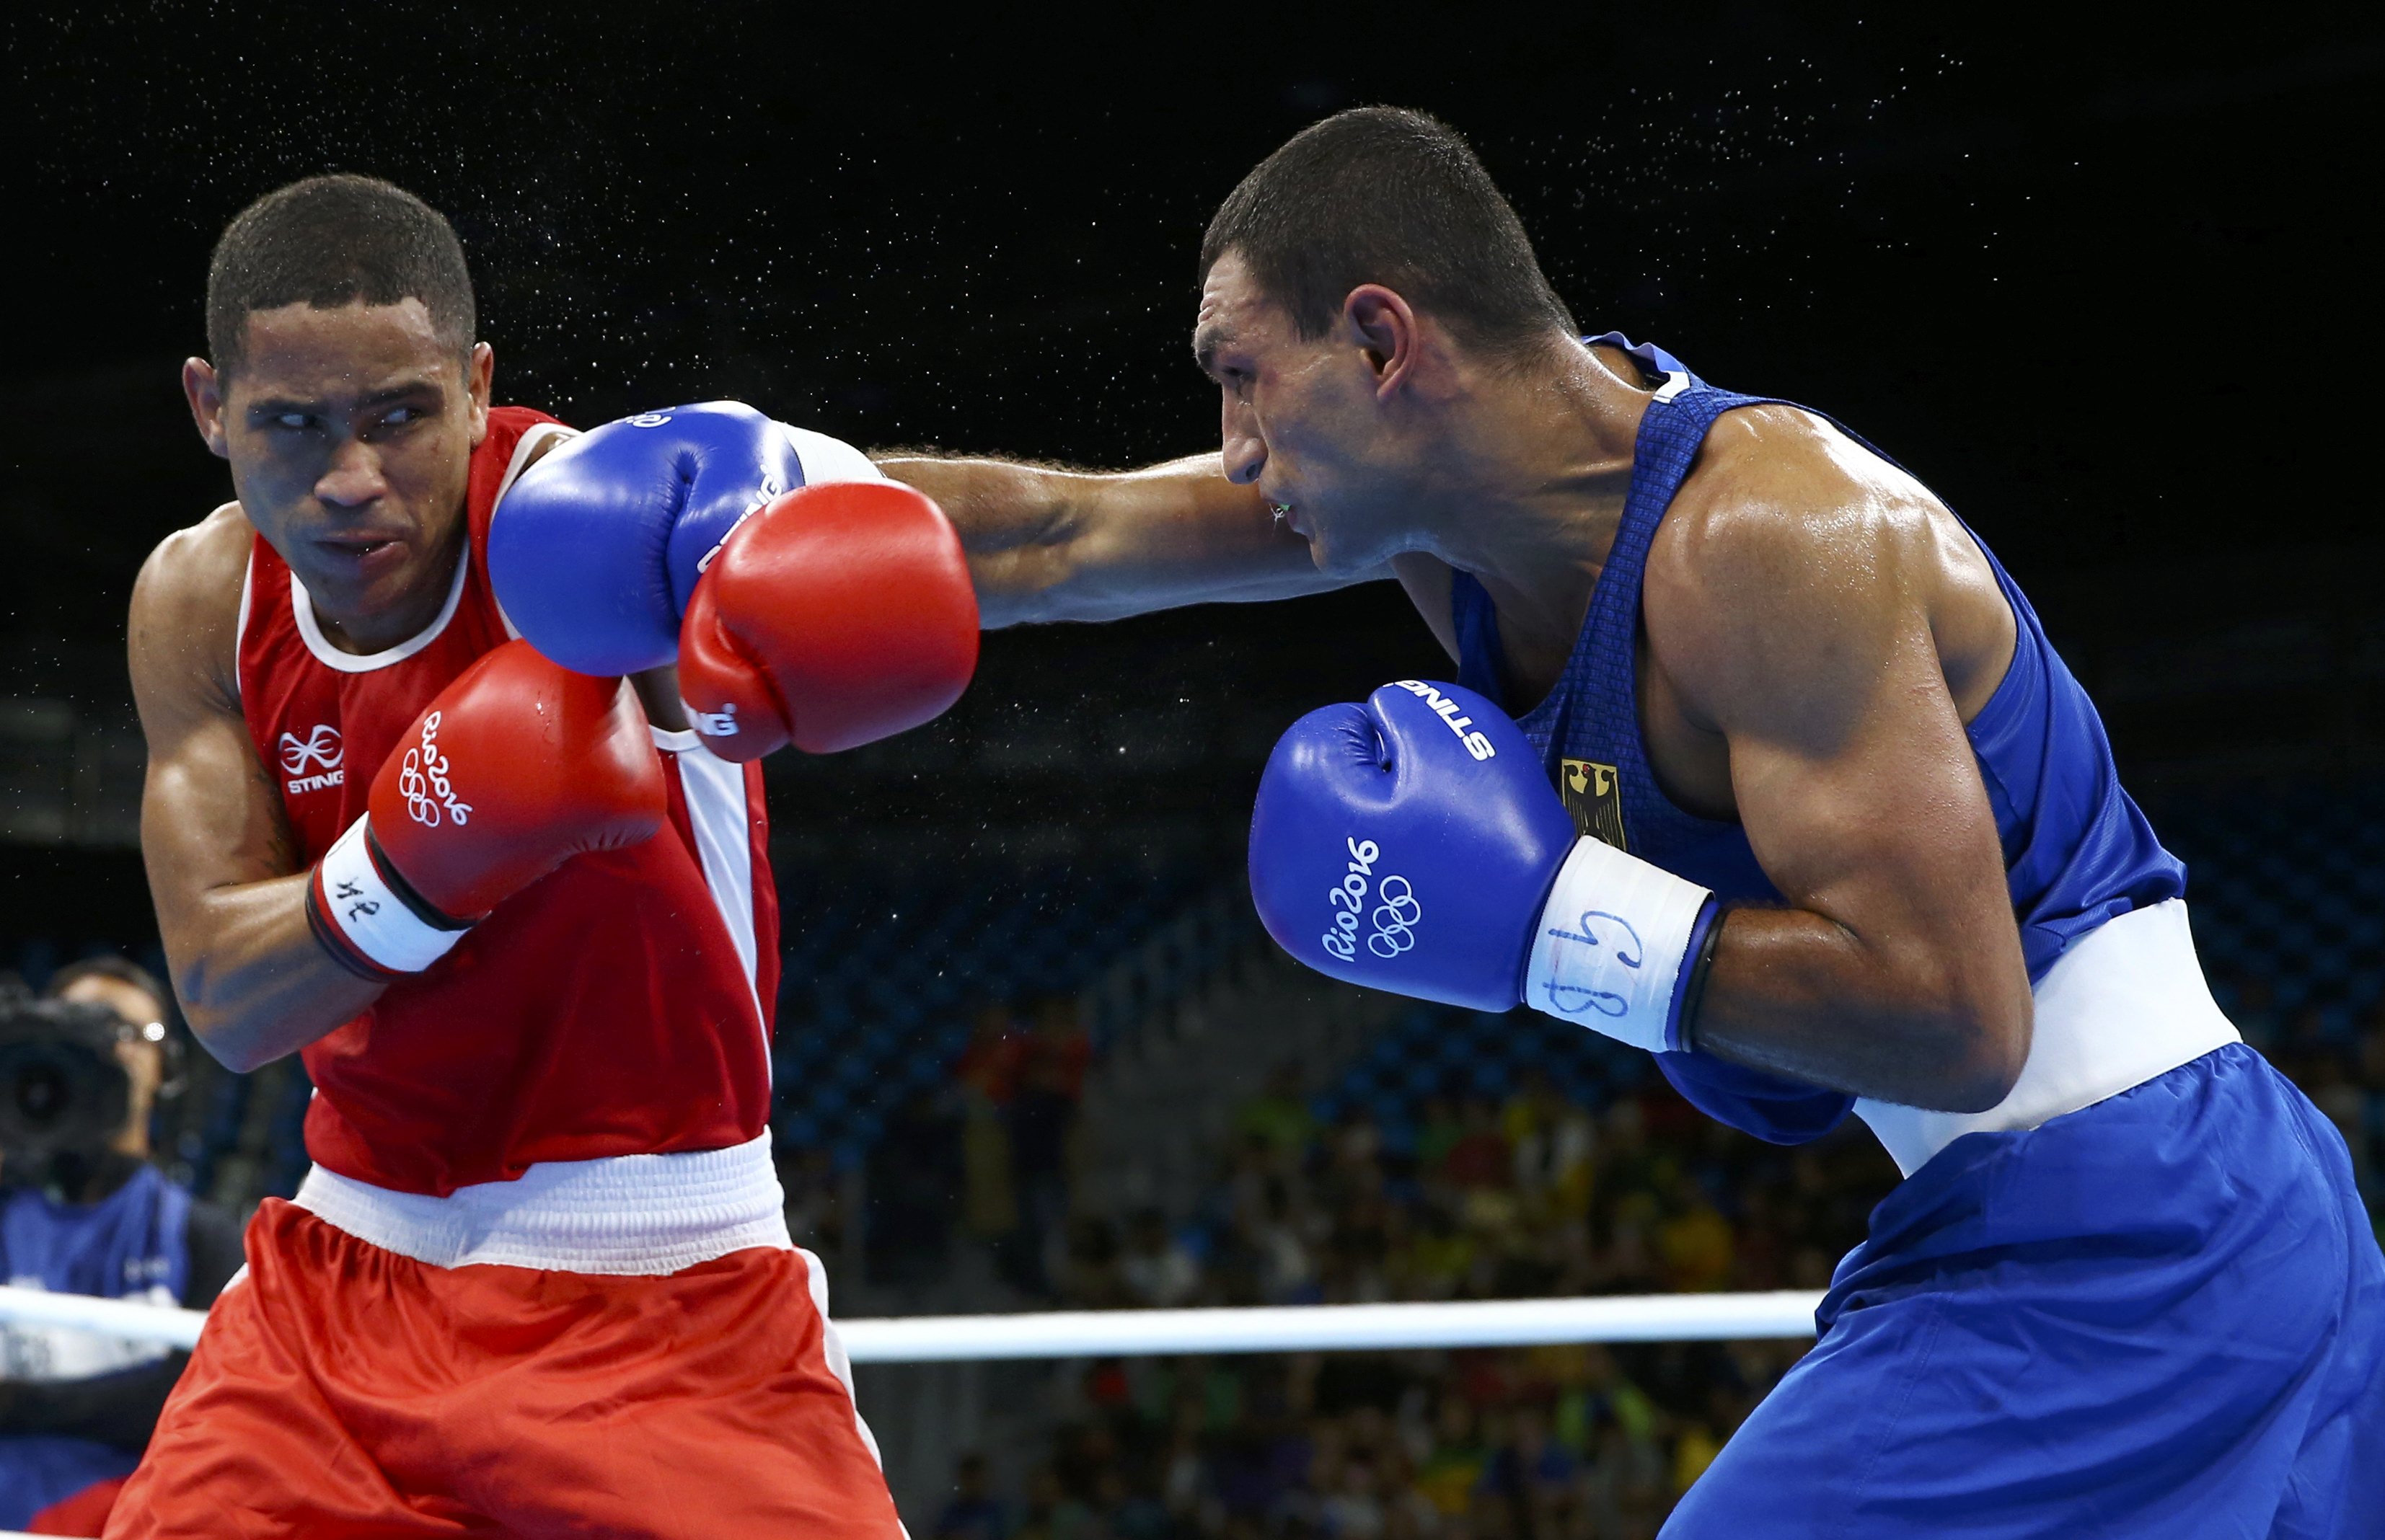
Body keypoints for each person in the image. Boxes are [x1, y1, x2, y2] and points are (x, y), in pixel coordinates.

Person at [876, 109, 2385, 1534]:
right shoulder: (1445, 536)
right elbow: (1068, 531)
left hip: (2148, 1224)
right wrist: (766, 499)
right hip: (2080, 1218)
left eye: (1242, 376)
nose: (1236, 443)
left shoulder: (1769, 539)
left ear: (1383, 340)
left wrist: (1553, 928)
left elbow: (1952, 1016)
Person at [123, 173, 977, 1536]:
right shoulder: (199, 599)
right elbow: (226, 1001)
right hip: (344, 1273)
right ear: (208, 407)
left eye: (400, 416)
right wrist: (423, 860)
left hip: (665, 1284)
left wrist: (1352, 501)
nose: (351, 479)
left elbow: (1044, 541)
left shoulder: (593, 531)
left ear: (475, 385)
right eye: (290, 426)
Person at [0, 963, 240, 1536]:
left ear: (167, 1069)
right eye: (80, 1027)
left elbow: (198, 1401)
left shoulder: (205, 1239)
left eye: (131, 1032)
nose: (108, 1049)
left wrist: (14, 1404)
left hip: (129, 1513)